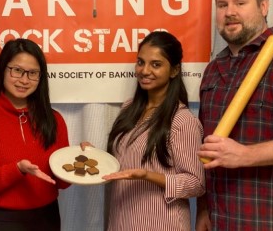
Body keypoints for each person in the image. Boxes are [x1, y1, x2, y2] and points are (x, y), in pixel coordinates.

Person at [83, 31, 205, 230]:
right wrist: (94, 156)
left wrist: (147, 175)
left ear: (174, 71)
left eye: (156, 64)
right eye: (141, 62)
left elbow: (196, 183)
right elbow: (124, 162)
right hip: (121, 222)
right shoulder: (129, 108)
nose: (144, 70)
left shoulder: (182, 120)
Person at [196, 0, 273, 230]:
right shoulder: (212, 70)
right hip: (219, 218)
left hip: (265, 219)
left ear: (264, 6)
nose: (230, 12)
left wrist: (246, 154)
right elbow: (206, 147)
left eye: (240, 3)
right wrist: (204, 208)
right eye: (222, 5)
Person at [0, 38, 70, 231]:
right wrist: (17, 169)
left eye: (32, 73)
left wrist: (78, 160)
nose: (24, 80)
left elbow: (62, 183)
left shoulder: (54, 119)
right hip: (0, 221)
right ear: (3, 70)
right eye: (17, 70)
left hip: (47, 218)